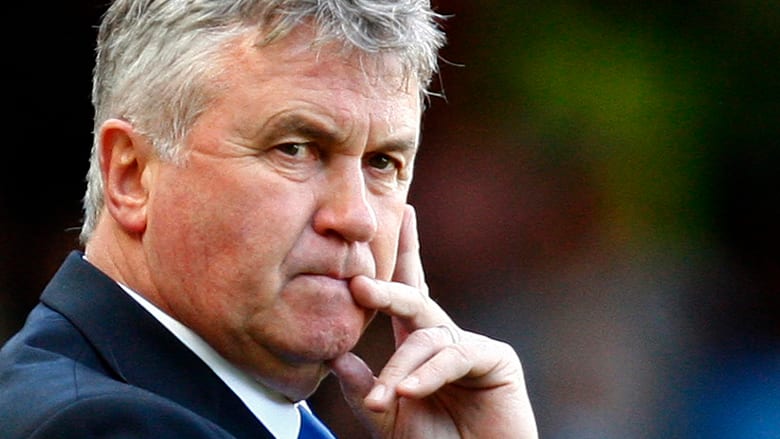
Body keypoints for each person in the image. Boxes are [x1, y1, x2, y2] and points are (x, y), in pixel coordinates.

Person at [0, 0, 538, 437]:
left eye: (382, 163)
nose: (356, 219)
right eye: (295, 149)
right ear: (133, 175)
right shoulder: (104, 425)